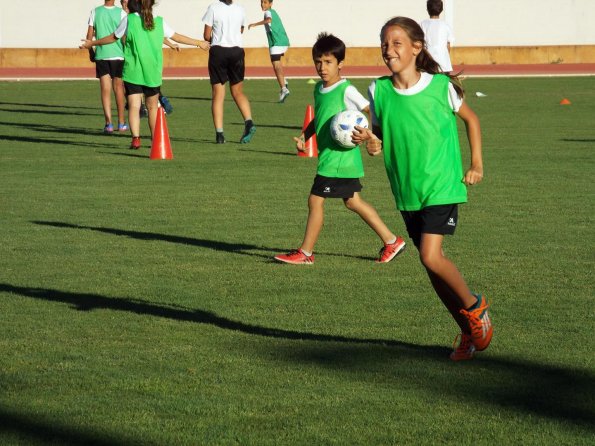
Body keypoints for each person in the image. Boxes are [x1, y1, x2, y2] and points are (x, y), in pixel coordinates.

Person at [353, 17, 492, 361]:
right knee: (430, 266)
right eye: (384, 44)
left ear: (417, 47)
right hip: (407, 191)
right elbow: (380, 137)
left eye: (397, 43)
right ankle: (465, 331)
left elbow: (472, 120)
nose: (389, 50)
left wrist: (476, 164)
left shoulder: (439, 86)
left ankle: (477, 310)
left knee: (431, 256)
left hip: (442, 186)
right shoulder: (378, 90)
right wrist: (372, 143)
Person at [274, 33, 406, 266]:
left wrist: (372, 136)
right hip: (334, 159)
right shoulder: (318, 89)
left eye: (328, 62)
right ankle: (391, 240)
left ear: (340, 64)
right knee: (353, 202)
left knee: (315, 200)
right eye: (318, 62)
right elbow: (321, 119)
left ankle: (305, 253)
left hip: (339, 160)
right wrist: (306, 136)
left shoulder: (346, 90)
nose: (322, 68)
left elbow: (371, 111)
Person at [80, 0, 209, 150]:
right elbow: (176, 36)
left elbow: (113, 37)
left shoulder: (129, 19)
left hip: (133, 71)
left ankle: (136, 139)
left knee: (134, 106)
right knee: (152, 107)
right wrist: (198, 43)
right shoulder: (159, 22)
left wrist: (92, 44)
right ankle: (155, 140)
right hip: (152, 73)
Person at [203, 0, 256, 144]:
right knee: (238, 91)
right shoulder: (240, 9)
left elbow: (207, 35)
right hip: (237, 51)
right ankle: (248, 121)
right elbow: (240, 30)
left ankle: (220, 134)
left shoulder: (213, 8)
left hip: (219, 51)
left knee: (218, 94)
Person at [86, 0, 128, 133]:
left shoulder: (95, 12)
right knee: (119, 89)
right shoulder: (121, 13)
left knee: (105, 89)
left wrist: (90, 52)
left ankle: (108, 123)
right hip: (118, 55)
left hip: (102, 55)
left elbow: (89, 35)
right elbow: (124, 36)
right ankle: (121, 123)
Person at [248, 0, 290, 103]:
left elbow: (269, 20)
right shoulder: (274, 11)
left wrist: (255, 24)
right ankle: (284, 81)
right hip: (283, 41)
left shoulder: (268, 12)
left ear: (270, 4)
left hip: (276, 42)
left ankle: (284, 89)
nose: (262, 4)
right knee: (277, 64)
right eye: (262, 2)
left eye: (265, 2)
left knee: (276, 66)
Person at [420, 0, 454, 73]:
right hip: (443, 62)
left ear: (427, 9)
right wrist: (446, 59)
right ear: (441, 9)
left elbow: (421, 44)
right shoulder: (445, 25)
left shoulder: (423, 24)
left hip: (428, 62)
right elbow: (448, 44)